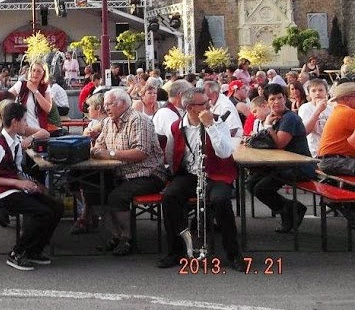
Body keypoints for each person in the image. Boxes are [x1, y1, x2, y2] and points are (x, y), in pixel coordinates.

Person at [157, 87, 246, 270]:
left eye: (208, 102)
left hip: (216, 174)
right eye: (204, 103)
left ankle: (233, 254)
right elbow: (171, 152)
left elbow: (224, 152)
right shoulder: (177, 126)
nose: (209, 105)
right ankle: (176, 251)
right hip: (191, 174)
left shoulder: (218, 121)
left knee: (220, 200)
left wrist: (211, 126)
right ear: (190, 107)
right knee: (170, 197)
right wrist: (174, 176)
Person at [0, 101, 63, 270]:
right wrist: (18, 183)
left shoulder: (16, 141)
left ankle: (34, 250)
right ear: (14, 122)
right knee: (42, 212)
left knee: (56, 206)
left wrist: (30, 183)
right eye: (24, 120)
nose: (27, 124)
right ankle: (17, 253)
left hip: (14, 186)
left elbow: (16, 170)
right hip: (0, 192)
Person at [90, 88, 166, 256]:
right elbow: (99, 146)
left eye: (110, 104)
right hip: (119, 173)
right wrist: (97, 150)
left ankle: (128, 239)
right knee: (93, 189)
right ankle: (116, 235)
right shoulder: (108, 122)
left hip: (147, 174)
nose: (106, 108)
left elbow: (141, 152)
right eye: (105, 105)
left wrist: (109, 154)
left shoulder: (138, 120)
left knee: (117, 196)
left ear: (123, 103)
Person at [246, 84, 315, 233]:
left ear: (285, 98)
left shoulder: (290, 118)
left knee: (261, 188)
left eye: (279, 98)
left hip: (300, 166)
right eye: (272, 99)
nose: (277, 102)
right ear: (267, 102)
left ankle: (289, 211)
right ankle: (290, 209)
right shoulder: (277, 117)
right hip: (283, 164)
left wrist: (268, 126)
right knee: (251, 183)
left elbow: (280, 143)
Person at [70, 91, 108, 235]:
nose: (87, 110)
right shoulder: (94, 122)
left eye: (90, 106)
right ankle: (89, 213)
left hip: (104, 165)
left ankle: (87, 215)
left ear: (98, 108)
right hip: (91, 161)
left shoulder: (105, 122)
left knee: (86, 180)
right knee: (72, 178)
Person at [316, 81, 355, 176]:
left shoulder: (338, 110)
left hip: (328, 160)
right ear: (348, 99)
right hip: (335, 160)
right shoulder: (349, 113)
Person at [9, 59, 54, 134]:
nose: (35, 73)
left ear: (43, 73)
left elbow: (48, 108)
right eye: (33, 70)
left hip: (40, 129)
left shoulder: (45, 87)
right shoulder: (21, 85)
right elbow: (6, 98)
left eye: (39, 71)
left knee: (44, 134)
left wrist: (35, 91)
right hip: (24, 129)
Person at [298, 78, 333, 158]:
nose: (317, 93)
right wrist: (318, 110)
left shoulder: (330, 108)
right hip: (313, 151)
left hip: (329, 149)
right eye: (313, 91)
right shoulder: (305, 108)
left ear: (326, 92)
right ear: (309, 94)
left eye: (321, 90)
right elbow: (305, 130)